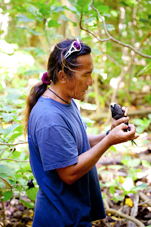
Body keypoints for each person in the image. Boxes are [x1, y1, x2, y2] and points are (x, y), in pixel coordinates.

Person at [24, 38, 138, 227]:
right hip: (59, 218)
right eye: (86, 75)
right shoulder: (49, 119)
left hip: (74, 212)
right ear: (62, 76)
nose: (91, 81)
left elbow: (76, 141)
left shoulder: (66, 101)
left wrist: (112, 131)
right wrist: (109, 140)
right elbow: (69, 173)